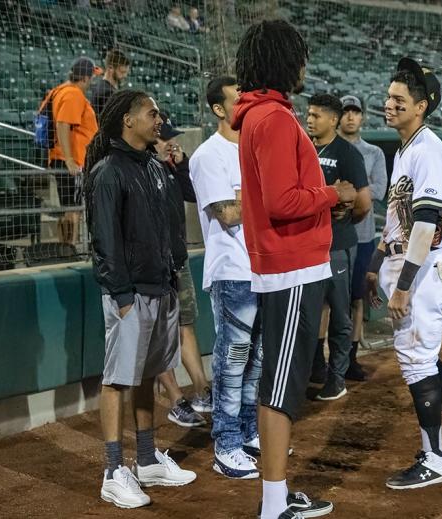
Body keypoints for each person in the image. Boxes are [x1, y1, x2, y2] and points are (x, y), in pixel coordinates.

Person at [233, 19, 357, 519]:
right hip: (291, 268)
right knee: (280, 387)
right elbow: (284, 201)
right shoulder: (275, 119)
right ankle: (271, 507)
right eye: (299, 56)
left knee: (280, 383)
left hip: (287, 266)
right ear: (285, 61)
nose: (305, 65)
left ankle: (278, 496)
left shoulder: (262, 115)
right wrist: (334, 194)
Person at [366, 57, 442, 490]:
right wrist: (374, 265)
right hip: (407, 266)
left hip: (420, 271)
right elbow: (397, 221)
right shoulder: (405, 149)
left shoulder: (428, 149)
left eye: (399, 99)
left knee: (416, 362)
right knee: (425, 360)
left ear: (420, 107)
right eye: (388, 97)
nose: (389, 104)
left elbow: (424, 225)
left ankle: (434, 459)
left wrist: (401, 286)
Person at [83, 89, 197, 509]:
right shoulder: (109, 171)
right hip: (131, 293)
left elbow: (179, 208)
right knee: (117, 380)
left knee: (148, 374)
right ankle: (114, 470)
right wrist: (121, 294)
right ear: (128, 121)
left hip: (161, 285)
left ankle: (147, 459)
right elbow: (104, 240)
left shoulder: (153, 164)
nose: (159, 119)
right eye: (152, 113)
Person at [190, 75, 263, 480]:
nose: (246, 108)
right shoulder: (207, 155)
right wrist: (264, 197)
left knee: (258, 360)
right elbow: (229, 213)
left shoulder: (254, 149)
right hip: (232, 271)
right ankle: (226, 443)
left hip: (262, 269)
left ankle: (249, 432)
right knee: (233, 360)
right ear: (219, 109)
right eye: (238, 101)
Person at [305, 93, 371, 401]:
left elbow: (364, 204)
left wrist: (341, 223)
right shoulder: (302, 148)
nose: (309, 119)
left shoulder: (347, 153)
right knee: (310, 310)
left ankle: (337, 377)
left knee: (341, 314)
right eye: (308, 114)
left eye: (316, 115)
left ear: (333, 119)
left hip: (337, 245)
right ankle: (313, 368)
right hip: (306, 244)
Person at [151, 110, 213, 428]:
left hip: (177, 258)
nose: (170, 143)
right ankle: (176, 399)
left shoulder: (171, 169)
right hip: (151, 266)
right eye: (164, 138)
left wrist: (182, 161)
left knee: (186, 325)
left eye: (171, 138)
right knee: (159, 333)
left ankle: (202, 390)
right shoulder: (140, 172)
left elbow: (194, 194)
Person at [338, 94, 387, 381]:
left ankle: (351, 358)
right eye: (346, 112)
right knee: (330, 303)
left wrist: (346, 192)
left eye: (356, 112)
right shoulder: (328, 148)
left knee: (357, 299)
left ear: (363, 117)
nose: (351, 117)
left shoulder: (373, 153)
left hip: (363, 234)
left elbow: (379, 190)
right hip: (332, 235)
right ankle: (328, 359)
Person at [45, 56, 99, 245]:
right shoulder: (73, 94)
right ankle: (70, 249)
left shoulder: (59, 91)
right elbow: (62, 124)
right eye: (91, 77)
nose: (92, 82)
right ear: (84, 78)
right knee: (72, 209)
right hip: (72, 161)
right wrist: (69, 159)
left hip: (67, 159)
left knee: (69, 207)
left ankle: (67, 248)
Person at [89, 48, 131, 118]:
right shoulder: (107, 92)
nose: (125, 76)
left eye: (126, 73)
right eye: (122, 72)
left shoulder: (102, 86)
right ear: (110, 68)